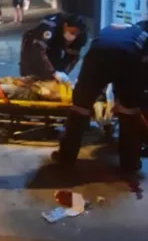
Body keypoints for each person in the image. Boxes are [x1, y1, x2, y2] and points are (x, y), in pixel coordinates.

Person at [52, 22, 148, 173]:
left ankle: (66, 158)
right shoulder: (144, 37)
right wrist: (127, 101)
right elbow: (142, 70)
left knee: (79, 109)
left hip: (96, 56)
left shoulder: (112, 28)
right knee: (129, 114)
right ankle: (130, 164)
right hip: (128, 58)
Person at [19, 13, 87, 81]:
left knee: (56, 69)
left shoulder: (80, 36)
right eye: (72, 32)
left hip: (55, 44)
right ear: (65, 25)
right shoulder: (49, 27)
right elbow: (37, 50)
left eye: (77, 33)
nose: (74, 36)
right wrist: (53, 73)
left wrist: (63, 73)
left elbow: (72, 57)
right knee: (31, 72)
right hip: (34, 42)